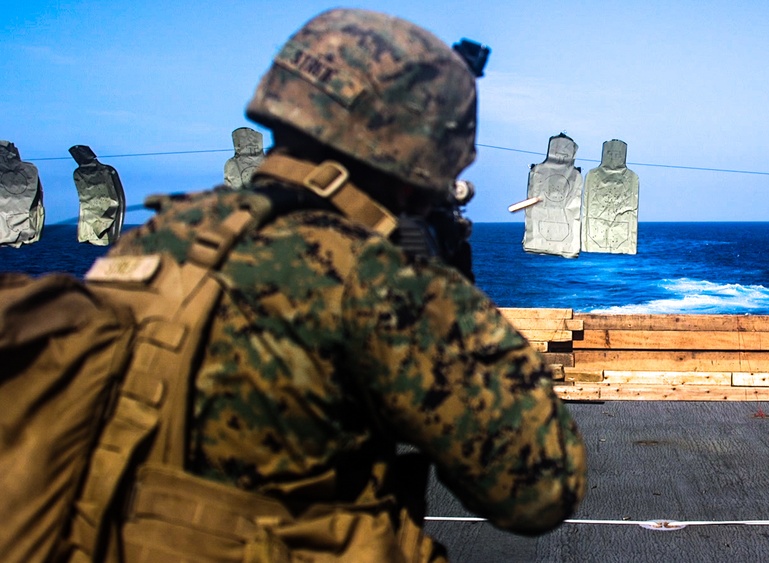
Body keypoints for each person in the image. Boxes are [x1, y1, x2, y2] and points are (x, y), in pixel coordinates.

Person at [105, 8, 587, 561]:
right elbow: (540, 487)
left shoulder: (158, 238)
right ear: (414, 147)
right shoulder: (375, 278)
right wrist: (448, 291)